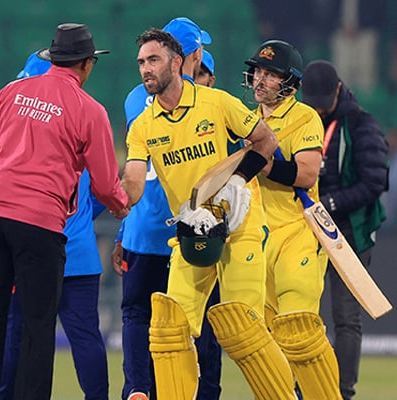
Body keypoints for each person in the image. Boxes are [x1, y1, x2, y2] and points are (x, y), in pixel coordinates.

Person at [121, 28, 298, 400]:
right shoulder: (143, 127)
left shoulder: (217, 103)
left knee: (241, 329)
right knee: (170, 329)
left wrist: (238, 181)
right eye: (141, 63)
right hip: (190, 233)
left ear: (176, 62)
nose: (145, 70)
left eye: (153, 60)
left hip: (239, 228)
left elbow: (267, 141)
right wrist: (118, 198)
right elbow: (134, 181)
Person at [0, 23, 129, 400]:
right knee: (37, 329)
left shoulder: (11, 92)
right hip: (39, 223)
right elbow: (105, 184)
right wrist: (121, 206)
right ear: (87, 64)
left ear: (53, 58)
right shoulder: (90, 110)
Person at [111, 18, 221, 400]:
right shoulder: (207, 102)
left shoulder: (133, 100)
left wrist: (123, 231)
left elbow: (137, 170)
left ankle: (138, 389)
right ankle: (201, 393)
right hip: (194, 231)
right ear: (190, 55)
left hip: (142, 228)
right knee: (201, 322)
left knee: (138, 315)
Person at [0, 52, 109, 400]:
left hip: (30, 255)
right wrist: (78, 222)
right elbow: (104, 191)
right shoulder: (80, 123)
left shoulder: (19, 143)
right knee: (86, 337)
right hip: (78, 254)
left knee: (20, 336)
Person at [242, 40, 342, 399]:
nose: (260, 80)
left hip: (298, 232)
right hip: (258, 237)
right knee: (268, 342)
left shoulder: (304, 117)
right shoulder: (246, 118)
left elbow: (306, 174)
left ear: (291, 84)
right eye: (258, 71)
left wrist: (258, 161)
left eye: (271, 74)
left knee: (298, 331)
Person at [301, 60, 389, 400]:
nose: (320, 107)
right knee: (302, 313)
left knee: (345, 318)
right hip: (307, 233)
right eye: (314, 100)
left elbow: (375, 182)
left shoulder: (361, 124)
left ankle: (341, 393)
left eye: (325, 99)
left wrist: (329, 205)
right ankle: (302, 388)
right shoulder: (303, 121)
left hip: (350, 234)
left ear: (339, 89)